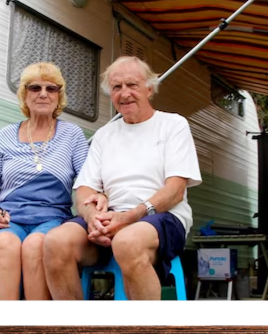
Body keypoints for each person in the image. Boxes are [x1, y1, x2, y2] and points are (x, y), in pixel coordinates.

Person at [43, 56, 202, 300]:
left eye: (132, 85)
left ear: (149, 89)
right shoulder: (104, 134)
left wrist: (130, 217)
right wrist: (93, 219)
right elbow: (84, 190)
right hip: (110, 221)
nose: (124, 93)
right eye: (117, 87)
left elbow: (176, 190)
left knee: (127, 242)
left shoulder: (173, 125)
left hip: (161, 217)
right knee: (55, 242)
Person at [0, 62, 90, 300]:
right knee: (5, 244)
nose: (43, 94)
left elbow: (86, 182)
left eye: (51, 88)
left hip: (52, 219)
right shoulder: (4, 136)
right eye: (35, 87)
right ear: (24, 95)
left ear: (59, 96)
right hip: (9, 220)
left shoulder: (72, 134)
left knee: (36, 245)